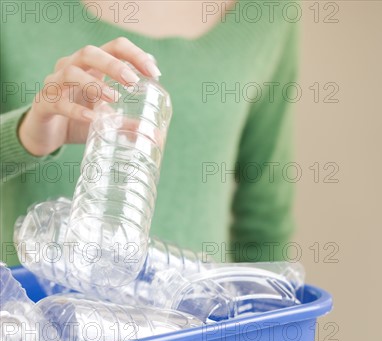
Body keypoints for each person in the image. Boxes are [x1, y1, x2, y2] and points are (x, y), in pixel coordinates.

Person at [0, 0, 298, 267]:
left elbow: (264, 219)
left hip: (200, 320)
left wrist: (269, 320)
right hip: (32, 317)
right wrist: (25, 135)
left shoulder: (269, 12)